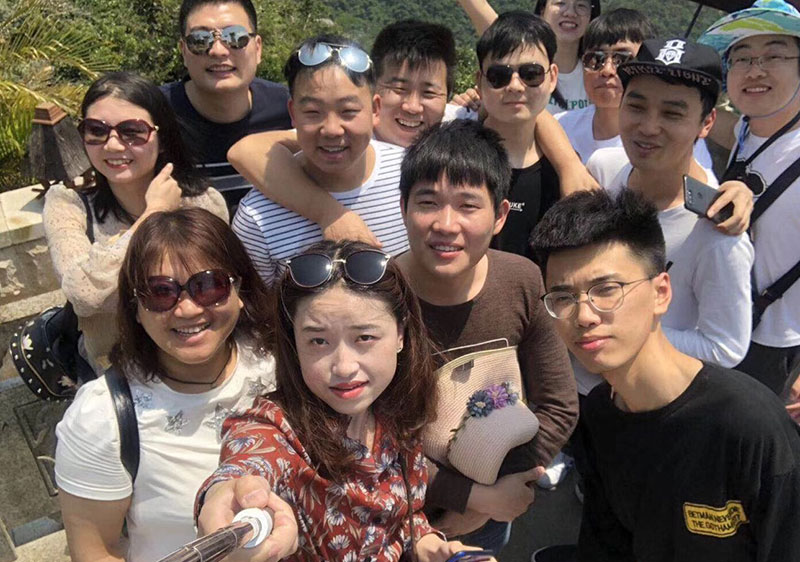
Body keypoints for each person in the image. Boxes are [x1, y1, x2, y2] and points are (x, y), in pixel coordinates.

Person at [530, 188, 800, 562]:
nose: (584, 316)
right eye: (562, 298)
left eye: (606, 290)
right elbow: (607, 543)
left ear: (661, 292)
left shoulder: (750, 427)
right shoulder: (600, 414)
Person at [195, 240, 493, 562]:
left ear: (401, 335)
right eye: (318, 341)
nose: (343, 367)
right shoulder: (277, 430)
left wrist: (430, 546)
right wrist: (228, 501)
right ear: (294, 344)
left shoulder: (396, 409)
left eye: (364, 337)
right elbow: (248, 459)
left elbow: (401, 519)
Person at [396, 119, 578, 554]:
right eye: (428, 202)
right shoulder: (381, 297)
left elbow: (558, 403)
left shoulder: (520, 279)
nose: (446, 224)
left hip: (496, 508)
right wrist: (470, 499)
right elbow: (368, 438)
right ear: (403, 207)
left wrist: (500, 490)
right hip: (402, 514)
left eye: (468, 205)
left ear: (500, 216)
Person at [55, 208, 276, 561]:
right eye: (161, 292)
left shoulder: (285, 364)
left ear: (240, 289)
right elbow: (96, 551)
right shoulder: (101, 419)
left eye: (209, 286)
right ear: (136, 308)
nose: (187, 309)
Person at [579, 39, 754, 393]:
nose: (648, 126)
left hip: (646, 403)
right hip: (578, 389)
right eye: (637, 106)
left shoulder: (718, 232)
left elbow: (726, 347)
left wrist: (626, 331)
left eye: (672, 114)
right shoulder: (603, 170)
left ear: (706, 122)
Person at [42, 72, 228, 373]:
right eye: (96, 130)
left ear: (162, 138)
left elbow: (220, 292)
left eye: (132, 131)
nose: (113, 146)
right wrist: (154, 214)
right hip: (115, 374)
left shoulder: (203, 204)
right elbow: (84, 293)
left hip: (197, 367)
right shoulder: (67, 203)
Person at [231, 34, 409, 285]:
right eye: (313, 112)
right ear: (293, 113)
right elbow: (256, 306)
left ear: (375, 109)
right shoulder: (257, 217)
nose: (332, 130)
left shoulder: (411, 176)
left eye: (348, 111)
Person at [699, 0, 800, 398]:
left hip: (779, 343)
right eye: (741, 58)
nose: (755, 70)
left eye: (774, 55)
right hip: (724, 325)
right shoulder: (743, 131)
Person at [161, 0, 291, 210]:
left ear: (258, 48)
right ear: (184, 51)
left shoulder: (291, 109)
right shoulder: (154, 114)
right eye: (200, 39)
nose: (218, 51)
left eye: (235, 37)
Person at [473, 11, 561, 259]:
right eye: (498, 76)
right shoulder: (454, 157)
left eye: (531, 74)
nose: (514, 86)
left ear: (552, 77)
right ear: (480, 82)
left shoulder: (562, 171)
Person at [457, 0, 601, 114]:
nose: (570, 13)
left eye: (581, 5)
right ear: (542, 10)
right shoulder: (516, 63)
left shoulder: (601, 74)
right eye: (560, 3)